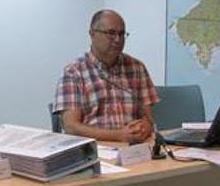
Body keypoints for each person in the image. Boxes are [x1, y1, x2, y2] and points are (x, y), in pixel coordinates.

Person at [53, 10, 159, 143]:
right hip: (95, 150)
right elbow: (71, 127)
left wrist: (145, 127)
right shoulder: (74, 72)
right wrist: (118, 136)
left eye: (121, 34)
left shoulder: (137, 68)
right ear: (92, 34)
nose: (117, 40)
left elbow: (148, 118)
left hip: (135, 150)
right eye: (111, 33)